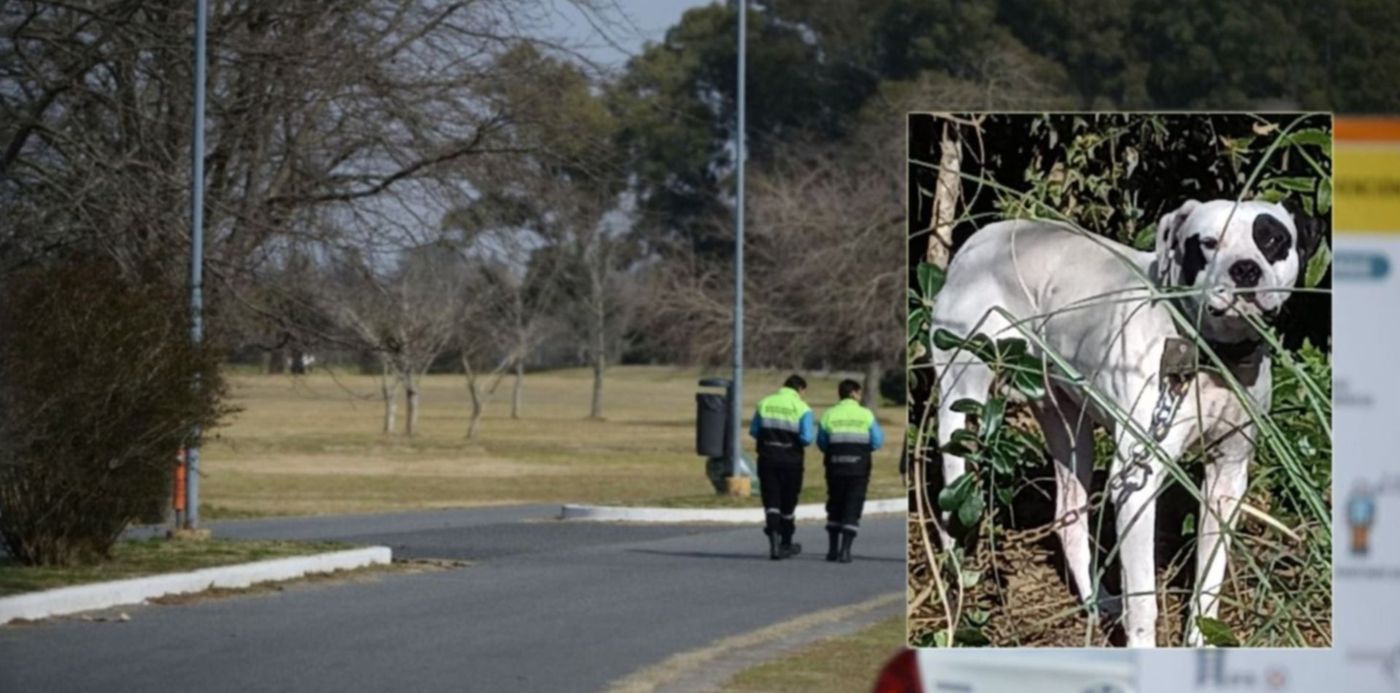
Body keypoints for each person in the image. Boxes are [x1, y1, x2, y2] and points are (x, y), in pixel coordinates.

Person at [817, 379, 884, 563]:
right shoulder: (865, 415)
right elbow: (877, 441)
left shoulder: (829, 414)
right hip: (858, 468)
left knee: (835, 504)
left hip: (834, 466)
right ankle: (845, 551)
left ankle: (832, 550)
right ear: (854, 393)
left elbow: (822, 442)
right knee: (852, 506)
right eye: (859, 392)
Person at [749, 374, 814, 560]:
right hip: (791, 461)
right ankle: (786, 542)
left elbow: (754, 431)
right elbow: (807, 438)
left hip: (767, 458)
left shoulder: (764, 403)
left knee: (771, 502)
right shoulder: (802, 408)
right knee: (788, 503)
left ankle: (773, 543)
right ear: (800, 389)